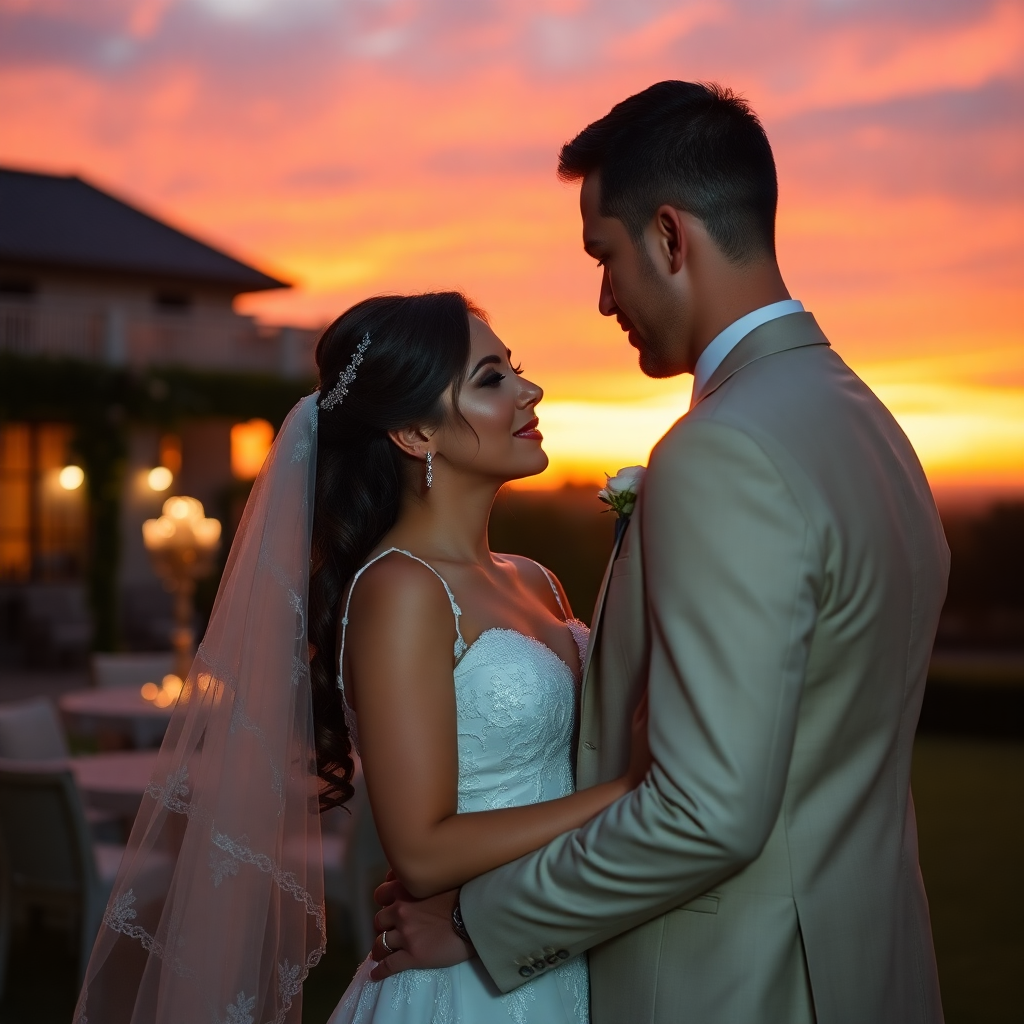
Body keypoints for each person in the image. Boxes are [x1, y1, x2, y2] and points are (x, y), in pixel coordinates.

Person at [370, 81, 949, 1024]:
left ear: (671, 238)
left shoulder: (725, 451)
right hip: (867, 960)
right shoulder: (867, 422)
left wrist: (480, 924)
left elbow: (705, 811)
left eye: (605, 256)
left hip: (739, 983)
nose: (604, 298)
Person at [74, 291, 647, 1024]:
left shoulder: (535, 578)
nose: (529, 391)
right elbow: (424, 852)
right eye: (491, 378)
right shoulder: (401, 590)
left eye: (516, 369)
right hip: (466, 988)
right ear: (413, 432)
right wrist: (631, 788)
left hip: (551, 939)